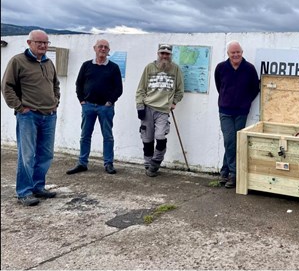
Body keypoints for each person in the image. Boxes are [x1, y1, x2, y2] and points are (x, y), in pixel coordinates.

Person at [1, 29, 60, 206]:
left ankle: (38, 187)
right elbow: (7, 87)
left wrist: (56, 100)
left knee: (46, 154)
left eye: (46, 43)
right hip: (29, 116)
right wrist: (19, 107)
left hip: (49, 115)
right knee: (27, 155)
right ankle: (24, 192)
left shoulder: (49, 63)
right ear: (29, 43)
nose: (43, 45)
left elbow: (55, 84)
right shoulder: (17, 61)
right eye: (39, 42)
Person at [67, 39, 123, 175]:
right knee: (85, 136)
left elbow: (118, 88)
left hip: (106, 108)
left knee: (108, 136)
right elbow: (78, 84)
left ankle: (108, 163)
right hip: (88, 106)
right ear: (95, 48)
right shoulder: (86, 65)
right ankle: (82, 163)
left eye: (106, 47)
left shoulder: (114, 67)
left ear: (109, 50)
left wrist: (110, 102)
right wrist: (82, 101)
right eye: (100, 47)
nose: (103, 49)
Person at [214, 41, 260, 188]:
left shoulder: (249, 69)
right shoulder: (221, 68)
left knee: (235, 141)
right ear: (228, 54)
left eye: (238, 52)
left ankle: (225, 172)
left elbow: (255, 88)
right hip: (225, 111)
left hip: (241, 111)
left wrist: (245, 102)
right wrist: (225, 99)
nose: (235, 55)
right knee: (229, 140)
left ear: (242, 52)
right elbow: (219, 85)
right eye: (232, 52)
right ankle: (234, 174)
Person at [136, 44, 184, 177]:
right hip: (148, 107)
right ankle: (147, 163)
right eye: (162, 53)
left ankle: (156, 162)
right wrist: (140, 106)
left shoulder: (176, 69)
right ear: (158, 53)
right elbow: (141, 89)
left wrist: (174, 102)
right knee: (147, 138)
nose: (164, 56)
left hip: (163, 110)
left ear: (170, 55)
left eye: (167, 54)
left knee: (160, 137)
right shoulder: (149, 68)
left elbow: (180, 90)